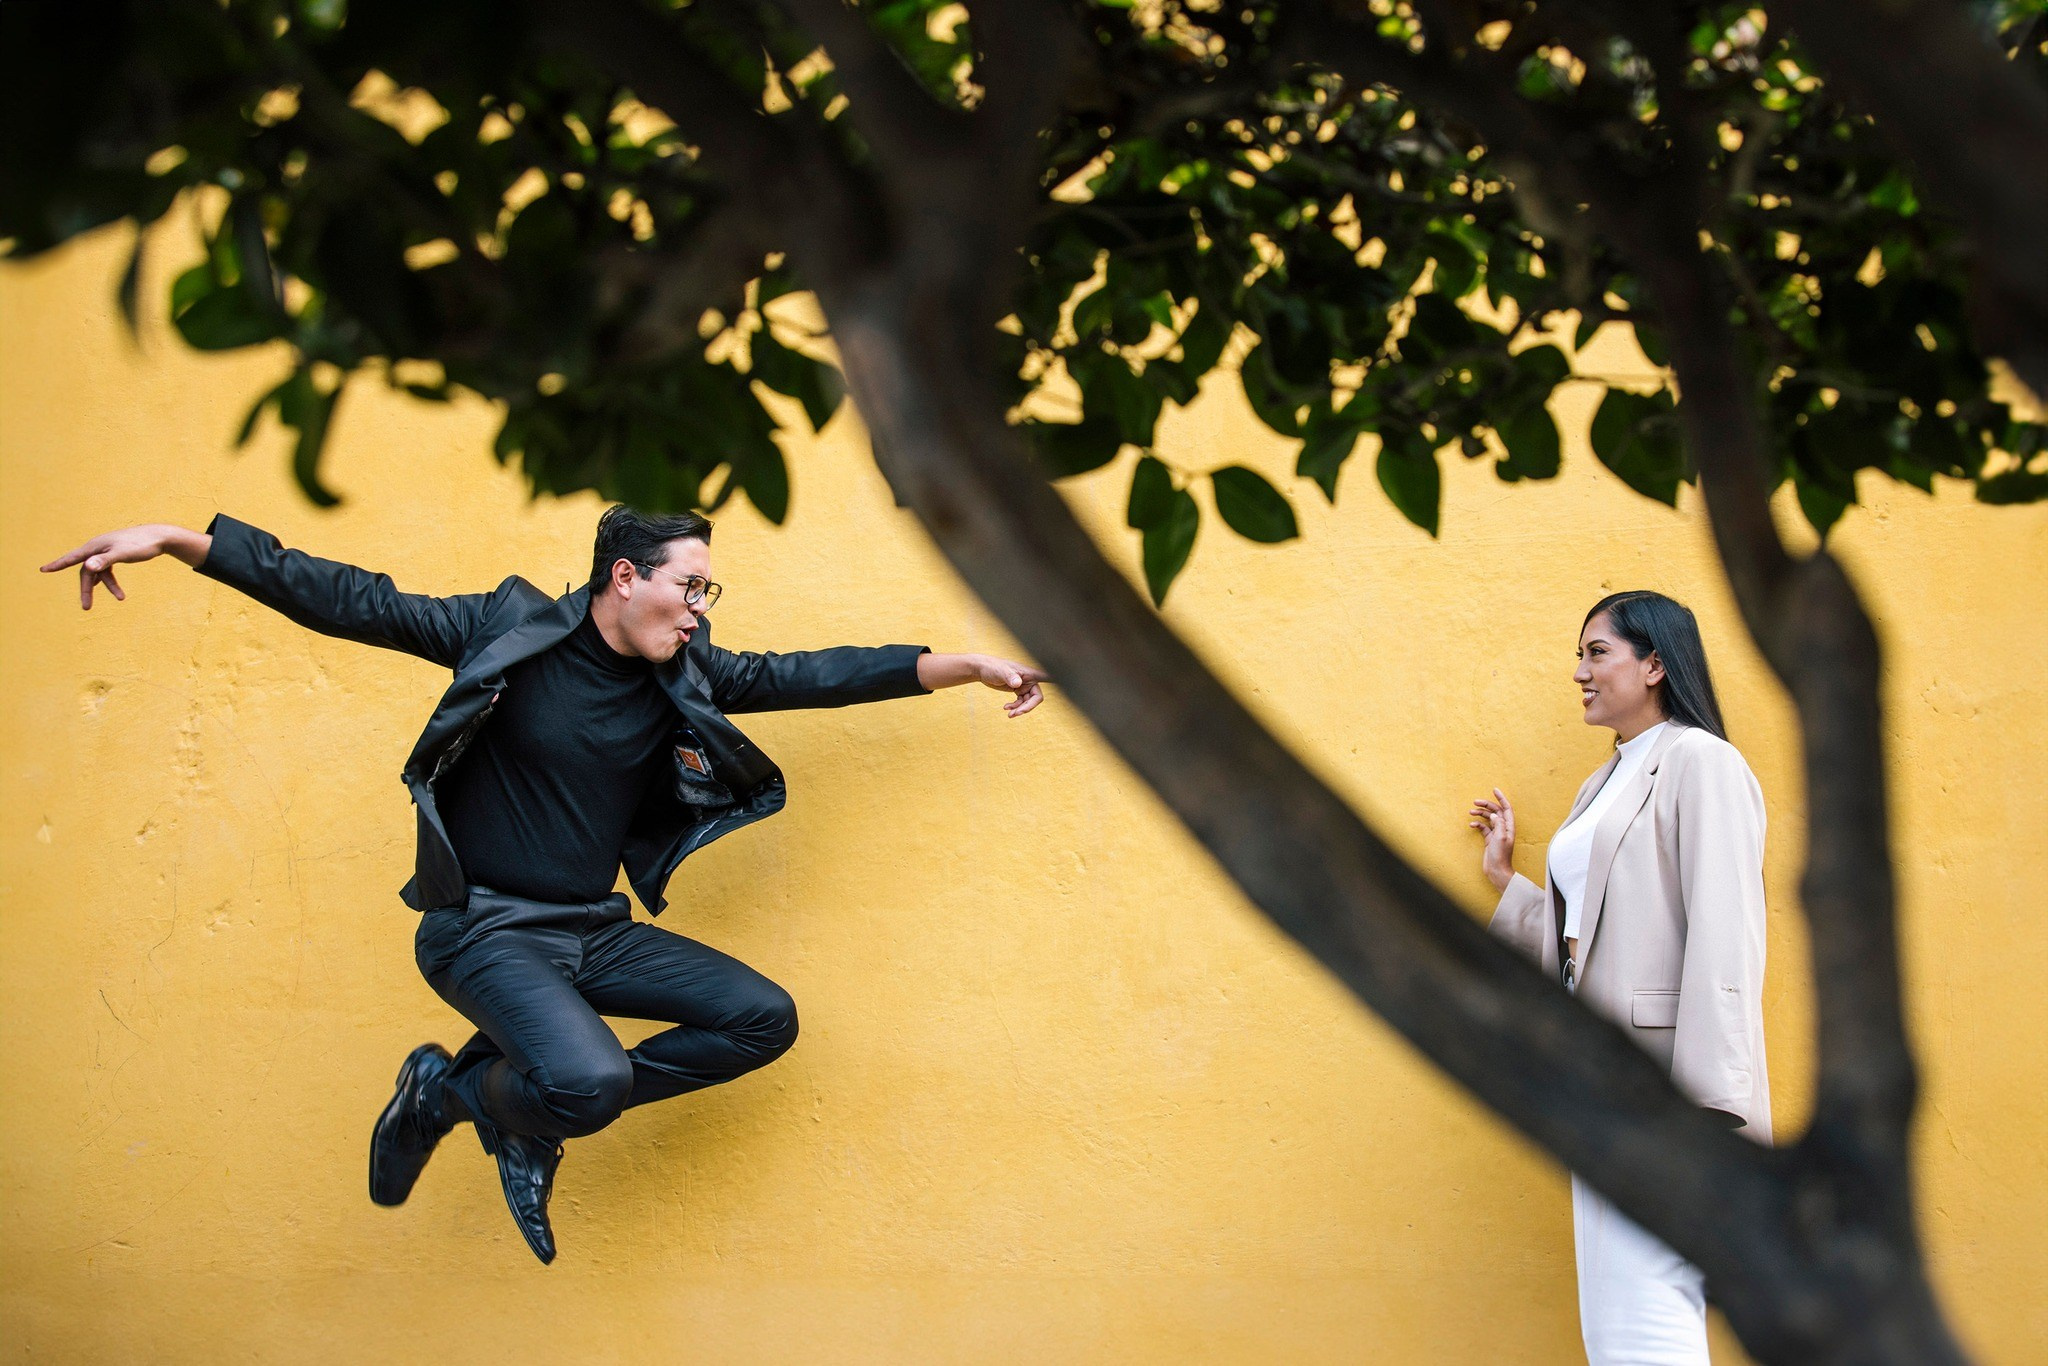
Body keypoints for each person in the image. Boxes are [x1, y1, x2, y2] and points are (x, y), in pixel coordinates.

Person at [42, 507, 1048, 1264]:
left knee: (760, 1019)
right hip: (482, 930)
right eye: (691, 587)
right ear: (625, 576)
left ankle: (498, 1104)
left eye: (708, 594)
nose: (700, 610)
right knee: (595, 1081)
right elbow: (350, 597)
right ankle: (466, 1094)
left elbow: (814, 672)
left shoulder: (685, 677)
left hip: (591, 933)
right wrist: (181, 539)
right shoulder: (506, 632)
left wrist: (959, 665)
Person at [1466, 591, 1769, 1366]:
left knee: (1649, 1308)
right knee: (1614, 1320)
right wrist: (1510, 884)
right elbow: (1590, 941)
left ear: (1657, 664)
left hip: (1663, 1091)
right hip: (1596, 1081)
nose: (1579, 672)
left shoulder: (1702, 762)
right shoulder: (1600, 786)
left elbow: (1727, 933)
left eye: (1597, 652)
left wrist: (1713, 1100)